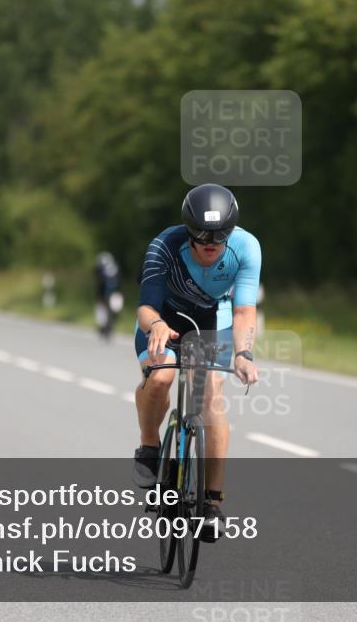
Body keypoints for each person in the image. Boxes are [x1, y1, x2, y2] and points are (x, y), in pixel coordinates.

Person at [132, 183, 261, 539]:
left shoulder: (246, 248)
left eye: (219, 237)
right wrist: (156, 325)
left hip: (211, 320)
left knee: (210, 399)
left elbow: (245, 310)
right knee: (159, 379)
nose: (211, 243)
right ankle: (149, 446)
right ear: (188, 230)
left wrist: (243, 354)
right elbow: (147, 307)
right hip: (164, 319)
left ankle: (212, 503)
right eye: (202, 235)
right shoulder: (165, 245)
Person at [94, 251, 122, 340]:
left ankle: (106, 327)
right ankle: (105, 327)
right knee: (105, 311)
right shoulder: (113, 268)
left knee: (110, 311)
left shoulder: (101, 270)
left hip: (112, 294)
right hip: (111, 294)